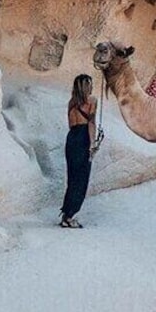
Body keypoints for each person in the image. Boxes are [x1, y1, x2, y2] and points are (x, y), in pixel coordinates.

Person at [60, 74, 98, 229]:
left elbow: (70, 124)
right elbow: (91, 123)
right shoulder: (92, 101)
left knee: (72, 178)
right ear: (86, 86)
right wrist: (92, 144)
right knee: (81, 179)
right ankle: (70, 216)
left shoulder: (71, 102)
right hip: (83, 138)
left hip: (72, 138)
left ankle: (66, 214)